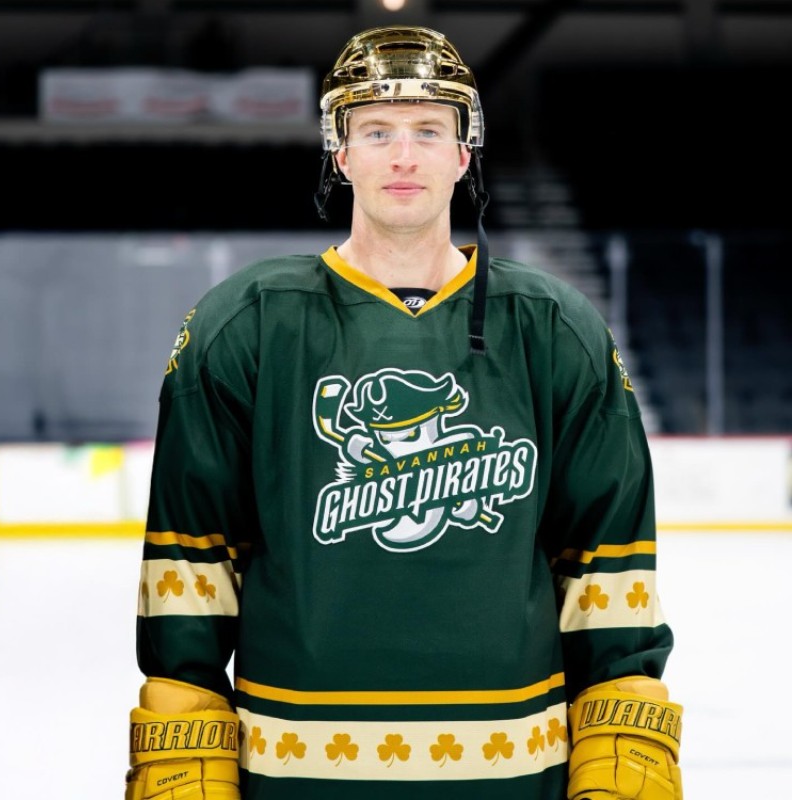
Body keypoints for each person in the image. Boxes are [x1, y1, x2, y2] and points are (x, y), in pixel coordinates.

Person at [125, 26, 683, 800]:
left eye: (428, 130)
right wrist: (182, 750)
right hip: (295, 777)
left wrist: (624, 748)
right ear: (340, 152)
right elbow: (190, 560)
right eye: (376, 131)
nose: (403, 156)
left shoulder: (553, 326)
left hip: (514, 776)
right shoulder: (246, 322)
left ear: (463, 154)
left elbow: (607, 561)